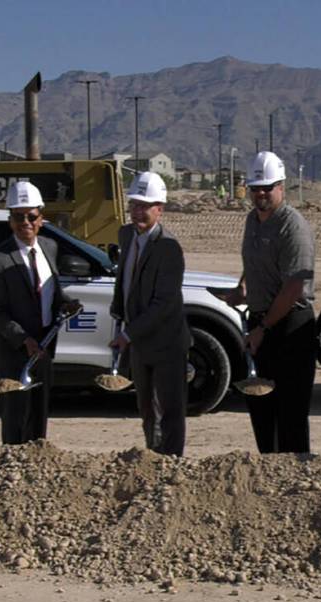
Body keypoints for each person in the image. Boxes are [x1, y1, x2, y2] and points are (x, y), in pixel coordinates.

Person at [227, 151, 316, 454]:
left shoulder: (293, 227)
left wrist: (263, 327)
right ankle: (268, 477)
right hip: (261, 322)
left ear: (282, 186)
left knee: (290, 415)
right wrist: (242, 288)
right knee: (262, 409)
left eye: (267, 187)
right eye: (255, 188)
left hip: (291, 326)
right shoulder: (253, 220)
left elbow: (293, 288)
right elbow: (254, 263)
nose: (261, 194)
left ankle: (294, 484)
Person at [0, 180, 80, 445]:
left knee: (38, 415)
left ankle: (35, 473)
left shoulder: (49, 248)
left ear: (41, 217)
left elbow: (51, 293)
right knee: (15, 419)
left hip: (44, 347)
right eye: (17, 216)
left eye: (31, 216)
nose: (25, 222)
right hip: (14, 352)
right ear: (9, 220)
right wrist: (23, 340)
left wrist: (67, 302)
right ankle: (12, 472)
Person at [109, 171, 191, 456]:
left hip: (167, 343)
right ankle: (152, 459)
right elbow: (124, 281)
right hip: (140, 344)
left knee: (169, 410)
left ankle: (170, 465)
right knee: (146, 409)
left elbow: (164, 303)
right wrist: (118, 315)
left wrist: (128, 334)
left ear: (160, 209)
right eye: (134, 205)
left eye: (145, 206)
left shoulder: (169, 249)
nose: (138, 211)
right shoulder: (126, 235)